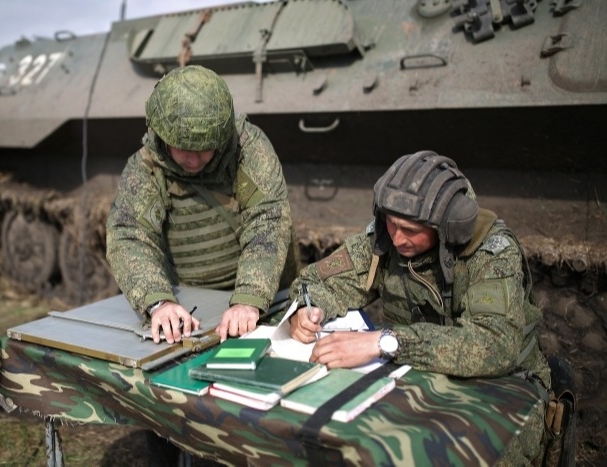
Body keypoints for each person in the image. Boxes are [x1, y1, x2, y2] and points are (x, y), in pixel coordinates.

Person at [288, 150, 551, 466]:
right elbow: (316, 280)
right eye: (391, 222)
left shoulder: (491, 254)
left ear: (447, 226)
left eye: (410, 230)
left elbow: (495, 345)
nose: (397, 238)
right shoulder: (384, 237)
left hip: (505, 384)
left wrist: (384, 343)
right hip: (419, 375)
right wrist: (308, 308)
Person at [106, 65, 296, 345]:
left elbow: (267, 220)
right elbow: (129, 236)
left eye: (204, 149)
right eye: (183, 149)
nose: (194, 161)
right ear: (161, 135)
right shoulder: (145, 168)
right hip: (189, 304)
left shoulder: (247, 148)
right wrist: (159, 302)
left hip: (261, 300)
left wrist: (249, 298)